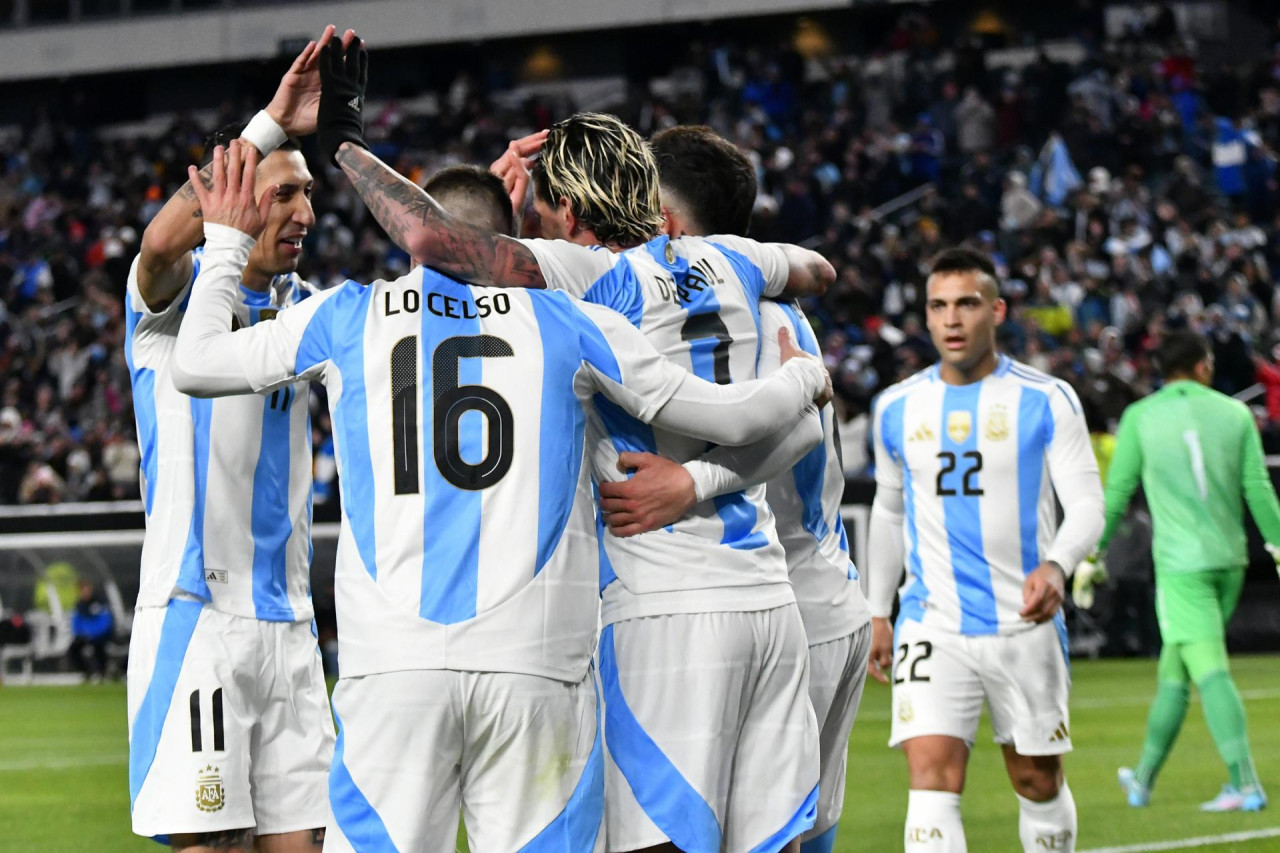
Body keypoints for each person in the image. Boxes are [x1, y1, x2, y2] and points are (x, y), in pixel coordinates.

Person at [171, 138, 832, 852]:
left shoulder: (346, 315)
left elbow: (194, 362)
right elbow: (736, 417)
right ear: (504, 241)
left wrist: (226, 242)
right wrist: (802, 379)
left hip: (393, 669)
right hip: (536, 665)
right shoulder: (571, 323)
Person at [321, 42, 833, 850]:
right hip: (768, 599)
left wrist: (342, 140)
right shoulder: (738, 261)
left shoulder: (584, 276)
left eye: (541, 213)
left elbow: (438, 247)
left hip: (661, 608)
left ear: (569, 215)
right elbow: (816, 283)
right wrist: (720, 461)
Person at [594, 125, 873, 853]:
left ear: (665, 222)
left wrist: (694, 480)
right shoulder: (778, 307)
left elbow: (800, 430)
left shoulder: (734, 311)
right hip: (817, 596)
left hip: (768, 596)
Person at [124, 28, 347, 852]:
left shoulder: (309, 311)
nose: (306, 214)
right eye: (284, 194)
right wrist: (267, 125)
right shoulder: (168, 316)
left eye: (308, 194)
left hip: (290, 628)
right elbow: (156, 244)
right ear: (236, 196)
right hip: (197, 622)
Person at [867, 248, 1104, 853]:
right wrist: (876, 611)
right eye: (938, 306)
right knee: (931, 782)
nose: (952, 319)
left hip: (1023, 623)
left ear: (996, 310)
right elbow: (889, 511)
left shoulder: (1047, 399)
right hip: (931, 621)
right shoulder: (896, 406)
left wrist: (1057, 565)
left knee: (1036, 778)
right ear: (924, 316)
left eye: (967, 304)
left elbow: (1087, 507)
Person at [1091, 331, 1274, 812]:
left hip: (1180, 566)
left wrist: (1093, 553)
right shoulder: (1235, 414)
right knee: (1175, 673)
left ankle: (1245, 783)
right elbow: (1258, 487)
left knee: (1209, 670)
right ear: (1201, 366)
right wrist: (1277, 544)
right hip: (1230, 561)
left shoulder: (1141, 416)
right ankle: (1143, 780)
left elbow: (1116, 494)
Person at [69, 580, 114, 682]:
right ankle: (86, 672)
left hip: (100, 635)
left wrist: (94, 633)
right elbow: (76, 622)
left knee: (99, 647)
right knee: (73, 649)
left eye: (87, 590)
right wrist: (81, 633)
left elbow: (106, 621)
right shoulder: (79, 605)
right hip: (85, 635)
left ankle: (102, 672)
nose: (85, 592)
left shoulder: (99, 603)